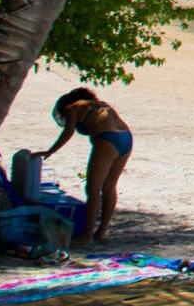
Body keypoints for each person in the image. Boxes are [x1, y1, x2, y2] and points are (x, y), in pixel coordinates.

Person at [35, 88, 132, 246]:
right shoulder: (100, 104)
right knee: (109, 187)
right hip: (126, 138)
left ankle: (86, 236)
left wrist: (50, 151)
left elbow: (68, 132)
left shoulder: (73, 107)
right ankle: (101, 233)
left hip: (108, 139)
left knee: (93, 190)